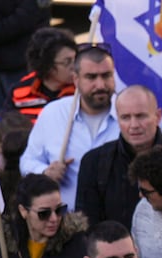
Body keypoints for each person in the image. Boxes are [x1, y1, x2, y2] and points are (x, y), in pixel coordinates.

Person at [76, 85, 162, 229]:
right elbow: (87, 226)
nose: (134, 125)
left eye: (140, 116)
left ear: (158, 117)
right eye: (125, 117)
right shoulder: (94, 162)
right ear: (117, 119)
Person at [20, 44, 119, 207]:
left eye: (106, 75)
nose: (100, 85)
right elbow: (27, 161)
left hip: (119, 224)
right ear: (75, 79)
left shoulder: (129, 113)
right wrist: (45, 172)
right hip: (68, 222)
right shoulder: (53, 114)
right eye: (91, 77)